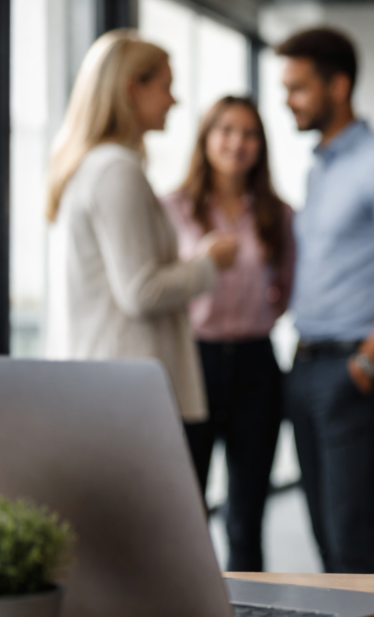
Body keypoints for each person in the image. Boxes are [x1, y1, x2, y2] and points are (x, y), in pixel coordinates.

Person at [276, 27, 374, 574]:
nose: (287, 101)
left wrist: (366, 364)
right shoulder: (321, 167)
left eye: (298, 88)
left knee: (351, 540)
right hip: (305, 366)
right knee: (325, 535)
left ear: (338, 85)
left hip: (354, 370)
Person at [46, 30, 237, 427]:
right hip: (125, 388)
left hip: (105, 382)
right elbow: (141, 292)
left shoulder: (91, 166)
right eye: (166, 86)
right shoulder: (116, 170)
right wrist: (208, 263)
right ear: (133, 88)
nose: (174, 100)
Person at [161, 96, 295, 572]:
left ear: (261, 146)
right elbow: (163, 287)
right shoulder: (170, 208)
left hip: (256, 364)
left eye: (249, 133)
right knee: (186, 508)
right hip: (191, 361)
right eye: (226, 130)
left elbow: (285, 288)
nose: (237, 143)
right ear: (205, 138)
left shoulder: (277, 215)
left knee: (246, 515)